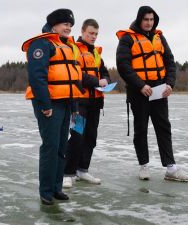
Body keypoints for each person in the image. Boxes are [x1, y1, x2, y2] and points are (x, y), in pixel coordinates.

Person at [22, 9, 99, 205]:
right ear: (54, 25)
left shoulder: (68, 46)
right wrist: (45, 104)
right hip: (50, 104)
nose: (68, 27)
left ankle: (57, 188)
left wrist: (74, 106)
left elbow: (72, 78)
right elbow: (37, 76)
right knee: (50, 146)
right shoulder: (42, 43)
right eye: (65, 24)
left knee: (62, 147)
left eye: (70, 25)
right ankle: (46, 191)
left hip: (66, 103)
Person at [116, 6, 188, 182]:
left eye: (151, 20)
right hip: (138, 92)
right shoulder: (128, 38)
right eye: (146, 20)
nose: (149, 23)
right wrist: (140, 85)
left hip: (159, 91)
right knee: (141, 129)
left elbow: (170, 62)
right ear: (139, 19)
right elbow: (123, 66)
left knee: (163, 127)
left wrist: (170, 84)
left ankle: (171, 168)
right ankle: (143, 165)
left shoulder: (159, 37)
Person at [63, 19, 110, 187]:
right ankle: (67, 173)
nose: (93, 36)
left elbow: (104, 72)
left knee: (91, 137)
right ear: (82, 32)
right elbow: (76, 74)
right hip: (79, 102)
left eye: (96, 34)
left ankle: (82, 170)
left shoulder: (96, 53)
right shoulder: (73, 49)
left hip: (95, 102)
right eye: (91, 33)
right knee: (77, 136)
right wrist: (97, 82)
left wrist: (105, 80)